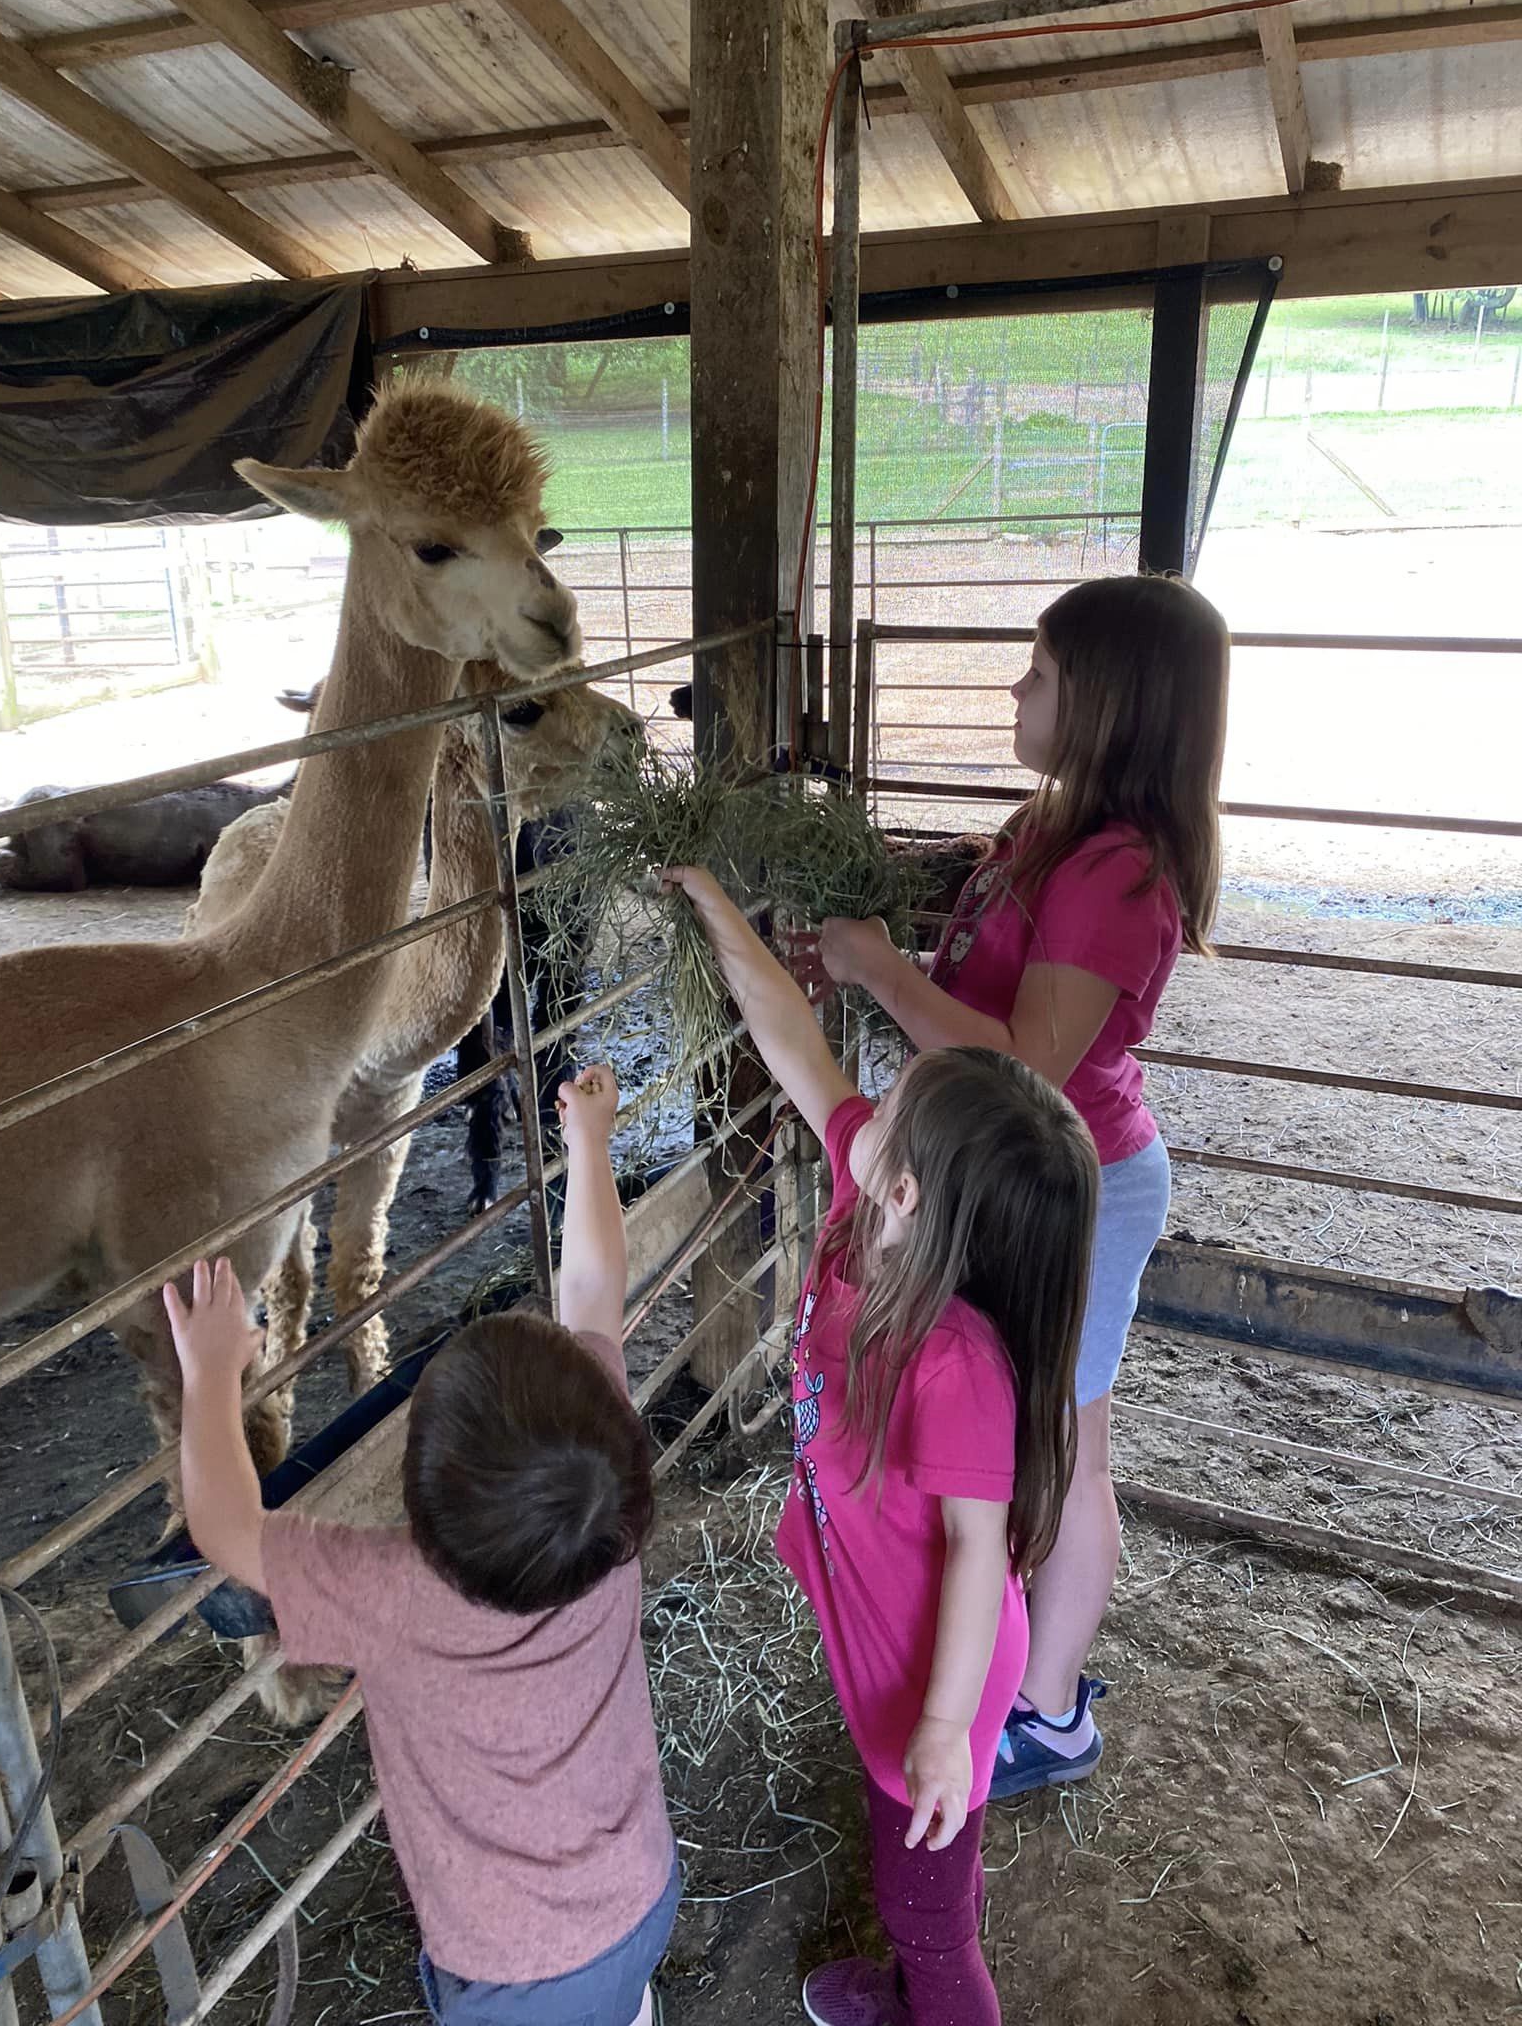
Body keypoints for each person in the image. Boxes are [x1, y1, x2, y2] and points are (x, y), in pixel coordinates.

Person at [795, 573, 1229, 1800]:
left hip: (1071, 1183)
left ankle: (1048, 1713)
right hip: (999, 1175)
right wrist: (863, 949)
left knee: (1070, 1446)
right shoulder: (1052, 827)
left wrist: (878, 970)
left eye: (1038, 671)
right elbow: (980, 980)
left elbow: (1026, 1060)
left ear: (1106, 701)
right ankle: (1006, 1675)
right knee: (1017, 1435)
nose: (1015, 687)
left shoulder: (1121, 873)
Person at [666, 864, 1098, 2026]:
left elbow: (973, 1554)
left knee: (932, 1906)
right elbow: (798, 1048)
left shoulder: (957, 1366)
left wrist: (952, 1730)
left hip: (937, 1656)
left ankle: (933, 1988)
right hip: (891, 1623)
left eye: (889, 1098)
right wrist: (717, 909)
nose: (865, 1102)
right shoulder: (886, 1211)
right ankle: (906, 1973)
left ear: (908, 1186)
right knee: (906, 1839)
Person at [164, 1065, 679, 2026]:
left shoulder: (396, 1590)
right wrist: (592, 1146)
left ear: (419, 1511)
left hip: (510, 1976)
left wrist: (210, 1375)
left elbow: (227, 1527)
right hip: (643, 1892)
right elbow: (597, 1297)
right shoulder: (605, 1507)